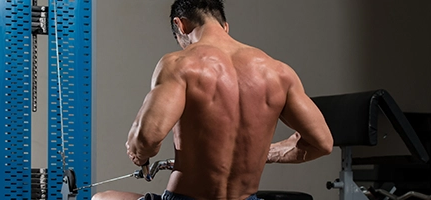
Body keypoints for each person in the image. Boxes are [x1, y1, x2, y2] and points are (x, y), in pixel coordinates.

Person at [92, 0, 334, 199]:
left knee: (100, 198)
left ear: (181, 25)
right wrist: (264, 153)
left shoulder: (180, 64)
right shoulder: (279, 72)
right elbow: (322, 143)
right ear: (225, 26)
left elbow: (146, 138)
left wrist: (141, 157)